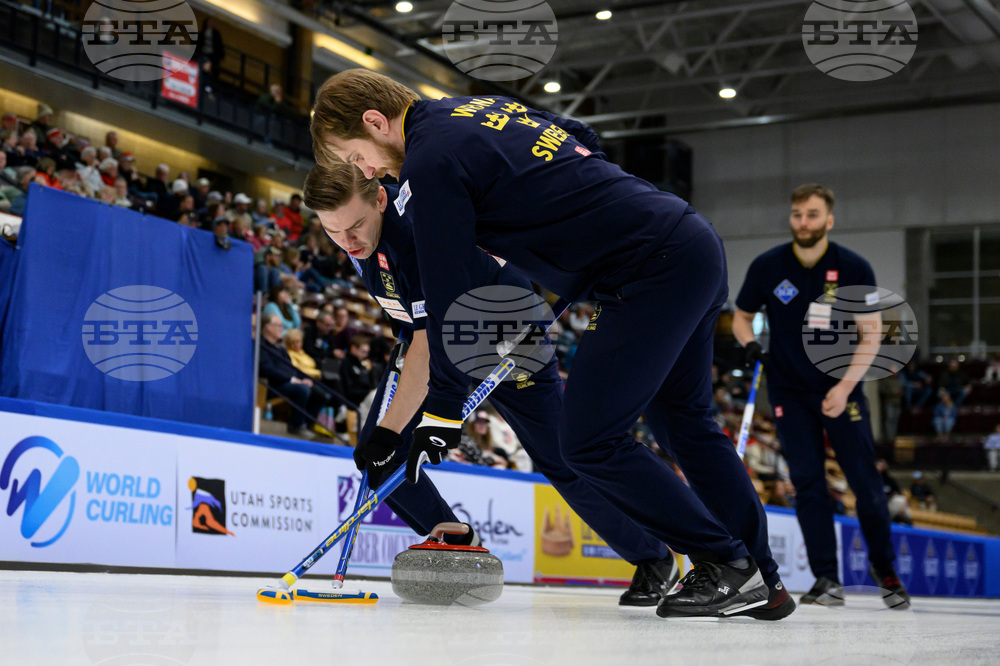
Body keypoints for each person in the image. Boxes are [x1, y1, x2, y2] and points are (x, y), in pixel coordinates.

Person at [302, 162, 681, 607]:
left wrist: (389, 427)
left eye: (355, 227)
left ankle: (655, 556)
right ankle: (456, 544)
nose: (347, 241)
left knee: (564, 458)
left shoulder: (416, 236)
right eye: (333, 231)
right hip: (436, 337)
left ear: (380, 199)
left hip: (505, 331)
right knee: (379, 457)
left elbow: (430, 344)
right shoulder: (360, 230)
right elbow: (415, 326)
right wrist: (386, 429)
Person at [733, 183, 910, 610]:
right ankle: (826, 577)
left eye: (812, 214)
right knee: (808, 484)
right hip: (788, 391)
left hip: (841, 388)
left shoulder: (854, 267)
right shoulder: (768, 265)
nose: (803, 222)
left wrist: (844, 388)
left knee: (866, 485)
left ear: (829, 219)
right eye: (797, 214)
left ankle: (884, 567)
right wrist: (750, 344)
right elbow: (741, 317)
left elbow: (872, 335)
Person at [258, 313, 327, 436]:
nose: (282, 329)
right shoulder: (261, 346)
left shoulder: (280, 348)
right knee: (302, 389)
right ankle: (296, 426)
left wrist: (304, 379)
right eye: (279, 325)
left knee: (321, 394)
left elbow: (292, 368)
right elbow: (267, 370)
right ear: (268, 327)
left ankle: (306, 424)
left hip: (288, 382)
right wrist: (292, 379)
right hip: (271, 385)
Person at [875, 459, 912, 525]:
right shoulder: (872, 479)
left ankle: (907, 524)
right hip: (876, 502)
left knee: (901, 500)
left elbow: (899, 492)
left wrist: (895, 494)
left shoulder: (889, 480)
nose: (881, 467)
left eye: (883, 465)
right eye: (879, 465)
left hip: (889, 502)